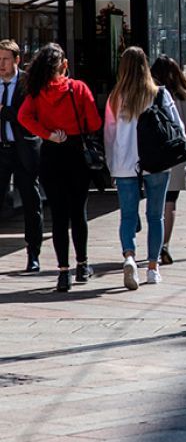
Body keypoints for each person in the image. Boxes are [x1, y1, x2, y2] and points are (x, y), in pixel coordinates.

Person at [106, 48, 186, 289]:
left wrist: (111, 167)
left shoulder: (115, 97)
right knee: (155, 216)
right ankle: (152, 267)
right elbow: (176, 128)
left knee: (128, 215)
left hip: (125, 163)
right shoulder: (159, 94)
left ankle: (129, 256)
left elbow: (109, 135)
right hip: (157, 162)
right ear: (145, 66)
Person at [18, 43, 101, 292]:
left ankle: (63, 272)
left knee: (58, 216)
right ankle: (83, 266)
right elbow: (94, 123)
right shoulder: (78, 88)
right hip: (76, 153)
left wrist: (48, 134)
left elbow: (23, 117)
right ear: (64, 65)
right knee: (79, 213)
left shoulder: (36, 92)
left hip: (51, 153)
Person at [151, 55, 186, 265]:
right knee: (170, 201)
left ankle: (152, 244)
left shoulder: (147, 94)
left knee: (154, 201)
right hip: (174, 155)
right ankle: (164, 245)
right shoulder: (183, 96)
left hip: (151, 156)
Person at [0, 40, 43, 272]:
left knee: (30, 202)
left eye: (5, 59)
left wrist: (4, 112)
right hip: (1, 149)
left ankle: (33, 253)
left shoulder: (28, 84)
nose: (1, 64)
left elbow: (28, 116)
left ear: (17, 60)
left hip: (23, 149)